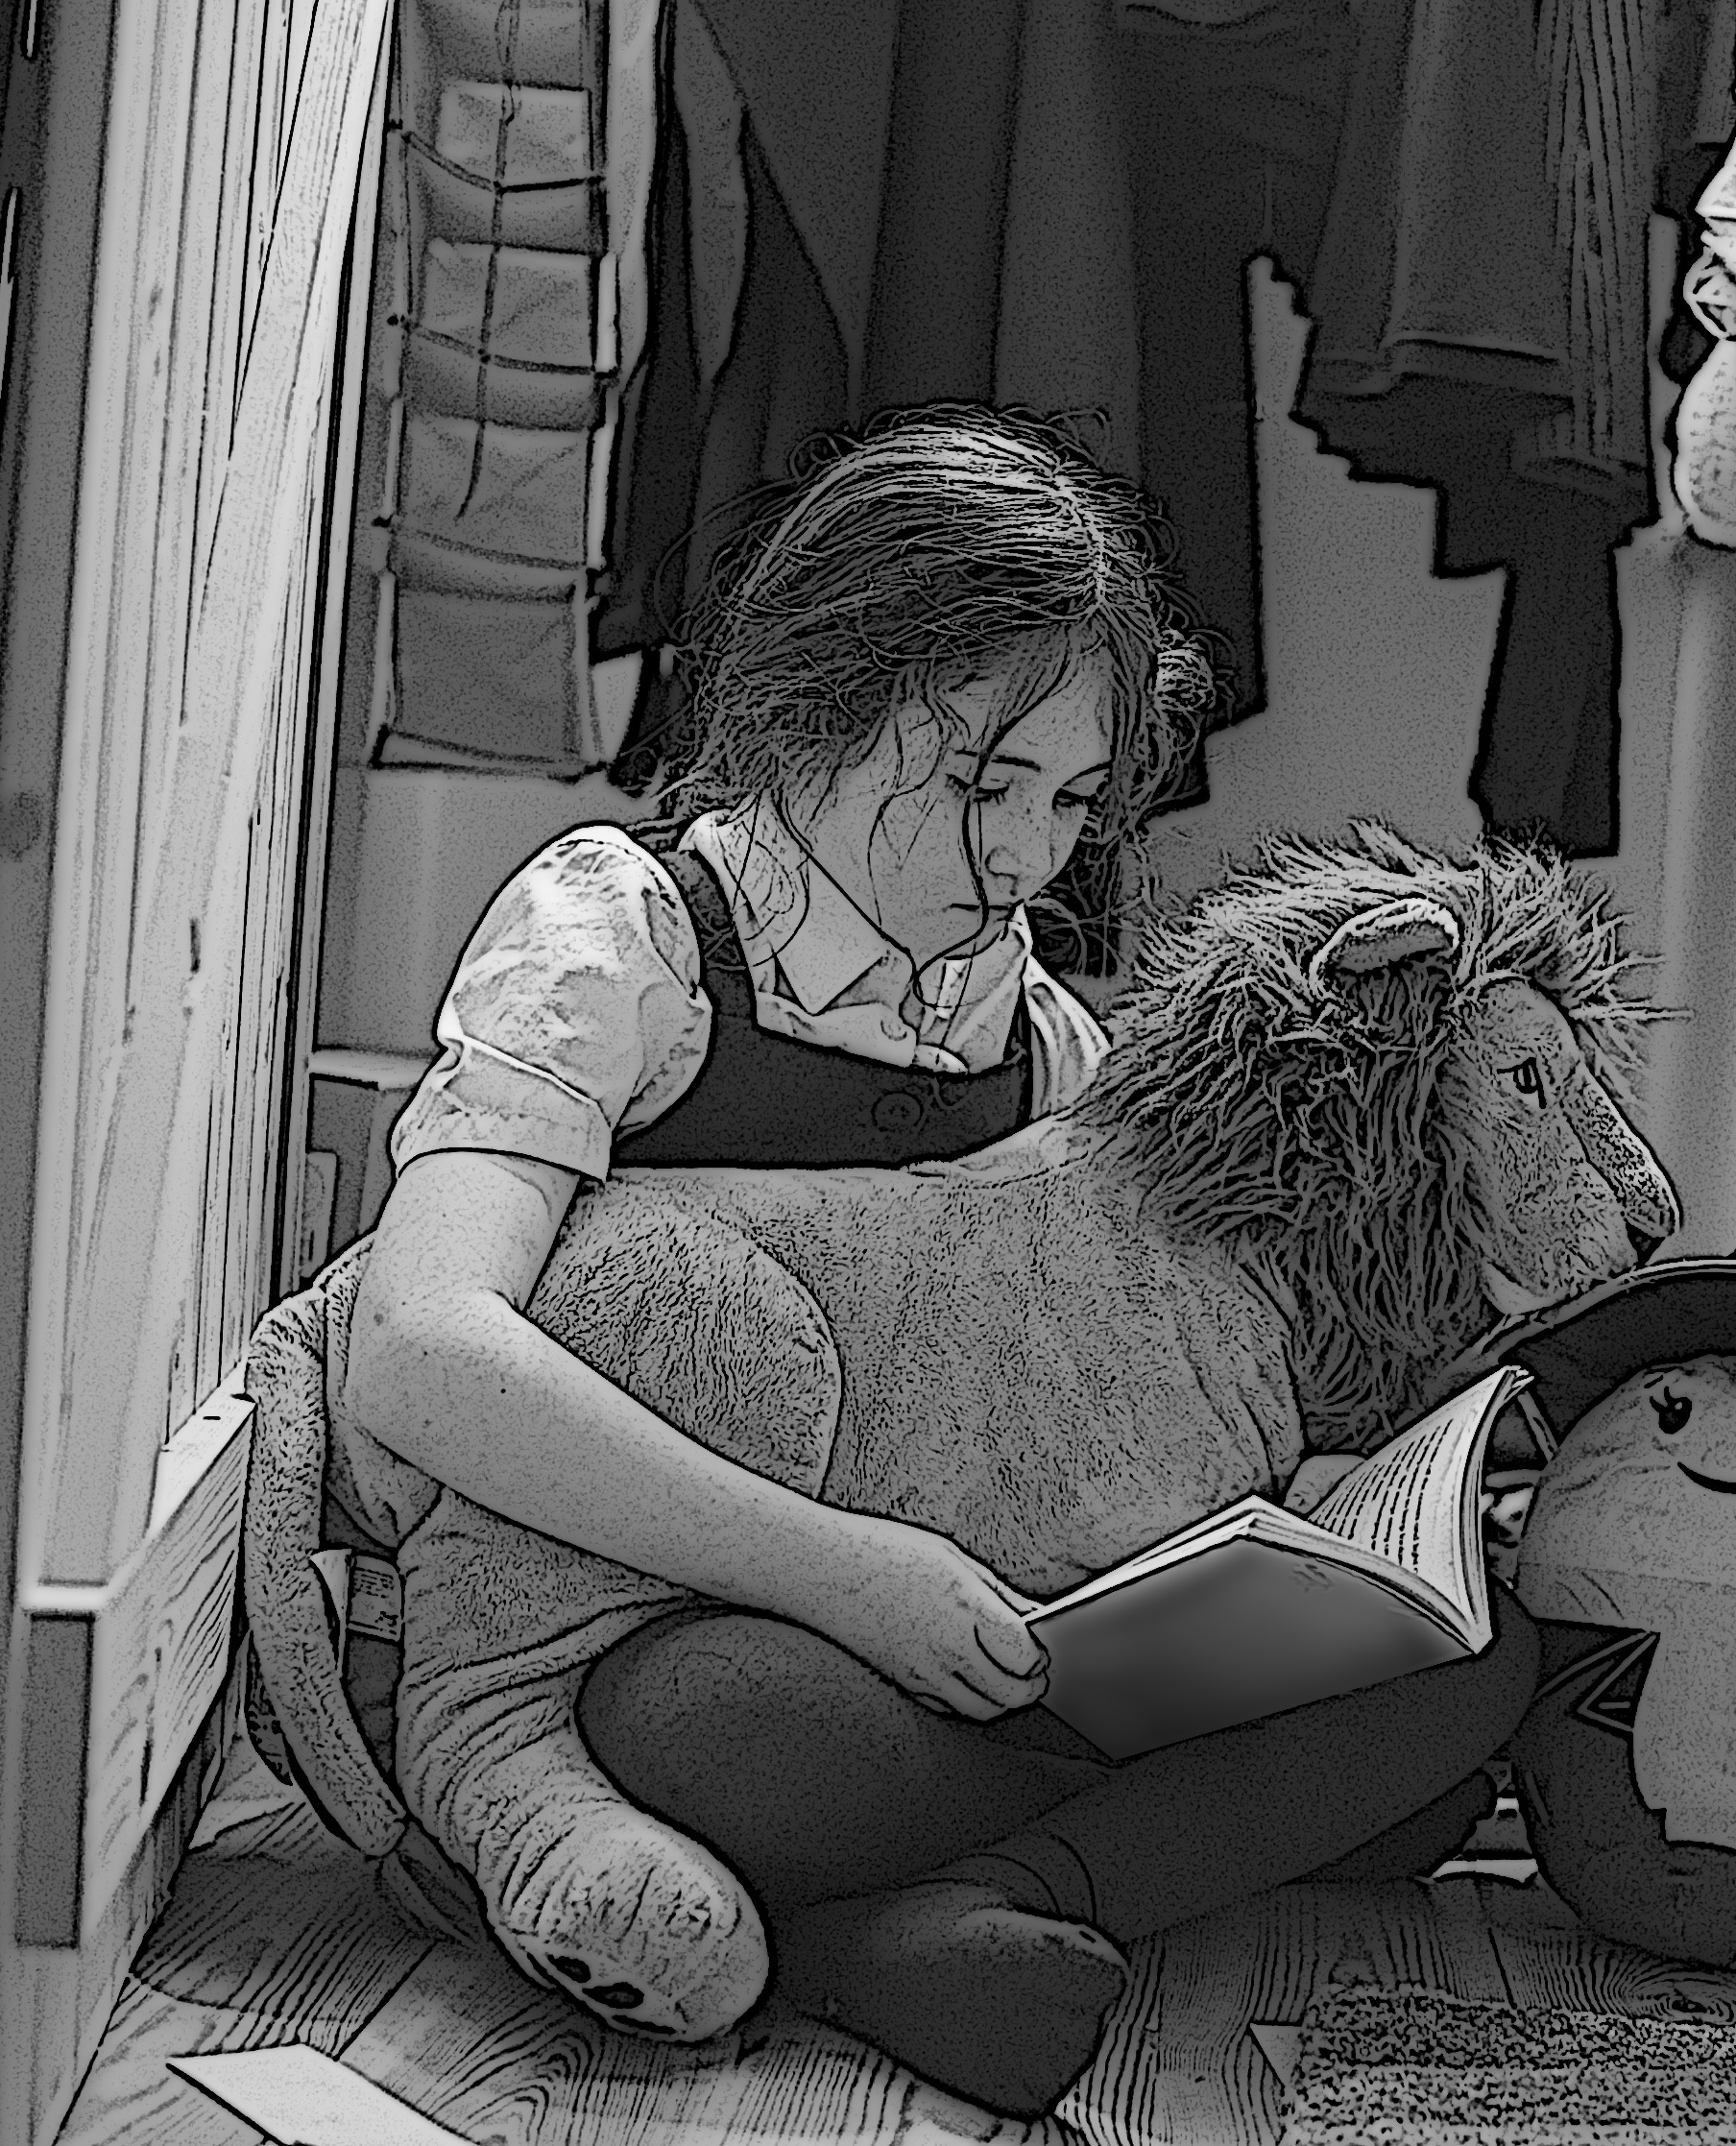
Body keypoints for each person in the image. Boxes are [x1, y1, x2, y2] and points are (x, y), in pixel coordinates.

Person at [340, 404, 1537, 2119]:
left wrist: (1317, 1525)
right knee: (725, 1728)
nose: (1030, 859)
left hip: (977, 1638)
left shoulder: (1040, 1034)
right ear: (818, 705)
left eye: (1073, 801)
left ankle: (966, 1904)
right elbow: (419, 1348)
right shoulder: (629, 939)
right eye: (984, 786)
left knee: (1471, 1660)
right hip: (689, 1625)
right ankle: (1007, 1891)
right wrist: (842, 1574)